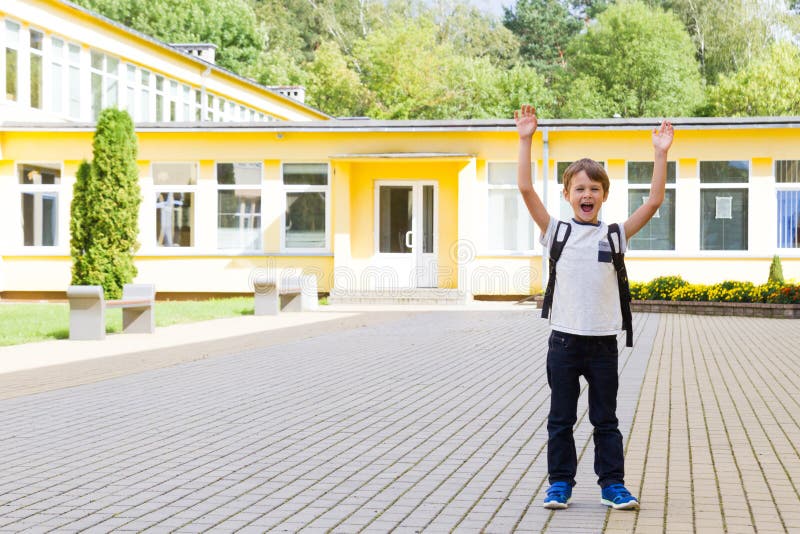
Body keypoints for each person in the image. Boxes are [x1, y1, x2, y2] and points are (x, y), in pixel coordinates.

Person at [514, 104, 674, 510]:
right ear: (567, 195)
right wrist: (526, 138)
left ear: (604, 195)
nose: (587, 195)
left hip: (603, 345)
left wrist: (660, 153)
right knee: (561, 420)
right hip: (564, 344)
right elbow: (526, 191)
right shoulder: (557, 232)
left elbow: (654, 202)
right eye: (579, 189)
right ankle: (560, 485)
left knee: (606, 421)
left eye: (594, 189)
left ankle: (612, 486)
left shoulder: (615, 235)